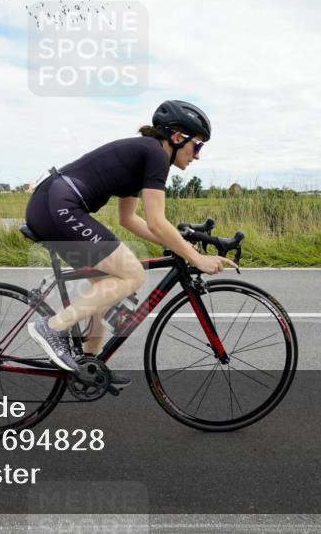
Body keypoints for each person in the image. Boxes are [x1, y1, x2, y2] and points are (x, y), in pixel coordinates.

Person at [24, 100, 238, 385]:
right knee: (132, 274)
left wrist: (181, 246)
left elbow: (130, 219)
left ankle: (88, 366)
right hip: (57, 206)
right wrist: (195, 258)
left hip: (51, 204)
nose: (197, 156)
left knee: (106, 285)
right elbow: (156, 223)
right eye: (196, 146)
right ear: (177, 137)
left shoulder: (146, 155)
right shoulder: (155, 156)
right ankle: (52, 328)